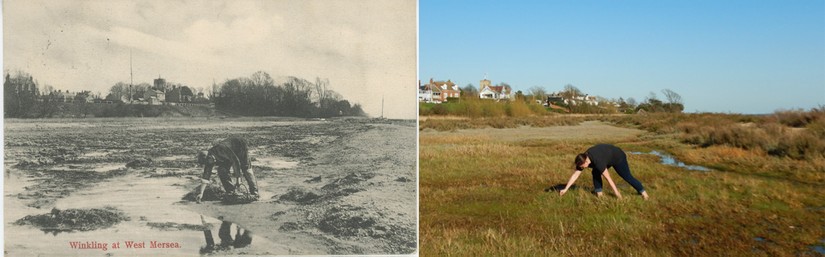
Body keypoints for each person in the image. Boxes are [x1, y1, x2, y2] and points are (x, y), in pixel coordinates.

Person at [558, 144, 649, 200]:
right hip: (606, 156)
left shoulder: (598, 162)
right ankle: (600, 195)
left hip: (617, 157)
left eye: (582, 166)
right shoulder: (583, 159)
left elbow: (609, 179)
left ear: (586, 162)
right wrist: (566, 189)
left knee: (627, 177)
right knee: (595, 173)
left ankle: (644, 194)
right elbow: (575, 175)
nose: (582, 168)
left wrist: (618, 195)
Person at [195, 137, 259, 202]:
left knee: (246, 169)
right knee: (221, 170)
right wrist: (201, 193)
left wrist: (238, 179)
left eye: (208, 162)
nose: (209, 165)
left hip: (240, 146)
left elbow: (235, 161)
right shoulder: (208, 160)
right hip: (227, 156)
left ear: (209, 156)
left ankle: (255, 193)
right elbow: (206, 177)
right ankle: (231, 191)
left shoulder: (221, 148)